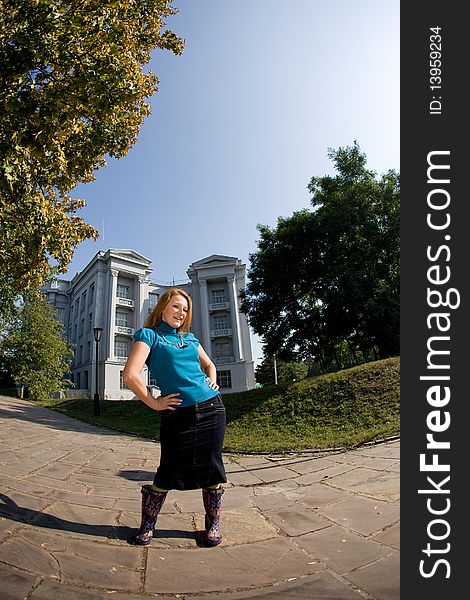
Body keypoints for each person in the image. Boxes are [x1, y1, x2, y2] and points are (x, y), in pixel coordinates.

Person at [122, 287, 227, 547]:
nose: (181, 313)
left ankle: (212, 526)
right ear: (163, 308)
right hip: (176, 414)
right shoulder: (149, 336)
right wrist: (154, 402)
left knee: (212, 470)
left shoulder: (190, 339)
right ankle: (147, 527)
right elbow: (130, 374)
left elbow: (209, 365)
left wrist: (212, 382)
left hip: (212, 409)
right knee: (166, 472)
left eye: (185, 309)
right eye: (176, 306)